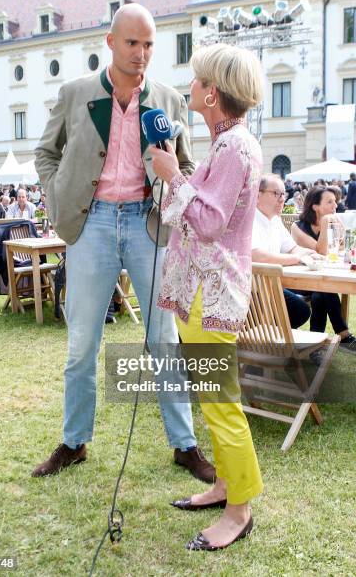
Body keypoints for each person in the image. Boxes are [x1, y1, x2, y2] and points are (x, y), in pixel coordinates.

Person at [33, 3, 215, 482]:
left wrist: (173, 178)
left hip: (147, 224)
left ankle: (185, 445)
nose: (141, 53)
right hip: (90, 225)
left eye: (149, 44)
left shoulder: (170, 102)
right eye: (132, 43)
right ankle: (74, 442)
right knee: (81, 343)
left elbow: (190, 166)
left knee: (164, 340)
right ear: (110, 43)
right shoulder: (75, 94)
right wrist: (58, 196)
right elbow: (45, 152)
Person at [151, 42, 263, 550]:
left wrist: (173, 175)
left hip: (213, 293)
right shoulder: (226, 144)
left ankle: (239, 511)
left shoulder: (234, 147)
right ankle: (225, 486)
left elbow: (211, 221)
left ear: (212, 93)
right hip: (204, 291)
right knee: (213, 399)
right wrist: (175, 171)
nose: (189, 87)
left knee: (221, 402)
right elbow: (199, 208)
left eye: (196, 81)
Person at [291, 186, 356, 351]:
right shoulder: (297, 227)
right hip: (300, 281)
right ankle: (344, 336)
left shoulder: (334, 223)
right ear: (315, 206)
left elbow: (341, 253)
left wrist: (339, 231)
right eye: (329, 202)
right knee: (323, 291)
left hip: (321, 282)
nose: (335, 206)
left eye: (335, 201)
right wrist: (327, 223)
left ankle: (315, 347)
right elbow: (321, 252)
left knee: (321, 295)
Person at [252, 174, 319, 329]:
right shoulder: (249, 220)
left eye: (283, 194)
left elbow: (292, 248)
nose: (282, 199)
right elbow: (257, 256)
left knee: (314, 299)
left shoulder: (274, 220)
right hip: (254, 289)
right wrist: (296, 259)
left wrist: (313, 255)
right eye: (276, 193)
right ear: (257, 195)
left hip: (272, 283)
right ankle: (266, 337)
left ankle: (272, 337)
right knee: (300, 310)